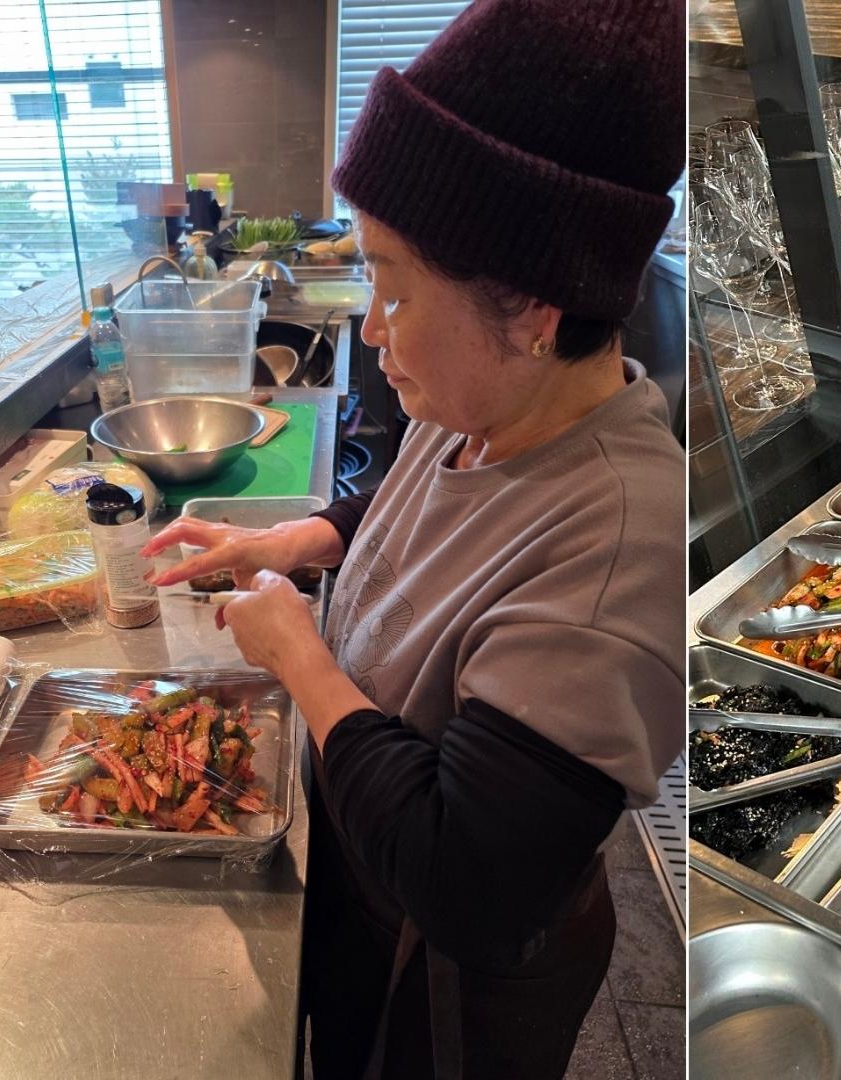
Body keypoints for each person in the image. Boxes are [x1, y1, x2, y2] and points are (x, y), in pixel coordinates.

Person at [141, 2, 684, 1075]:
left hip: (450, 980)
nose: (372, 324)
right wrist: (304, 537)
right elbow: (411, 511)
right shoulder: (472, 402)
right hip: (364, 875)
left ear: (533, 309)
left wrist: (301, 656)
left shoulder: (615, 549)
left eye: (391, 282)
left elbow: (466, 876)